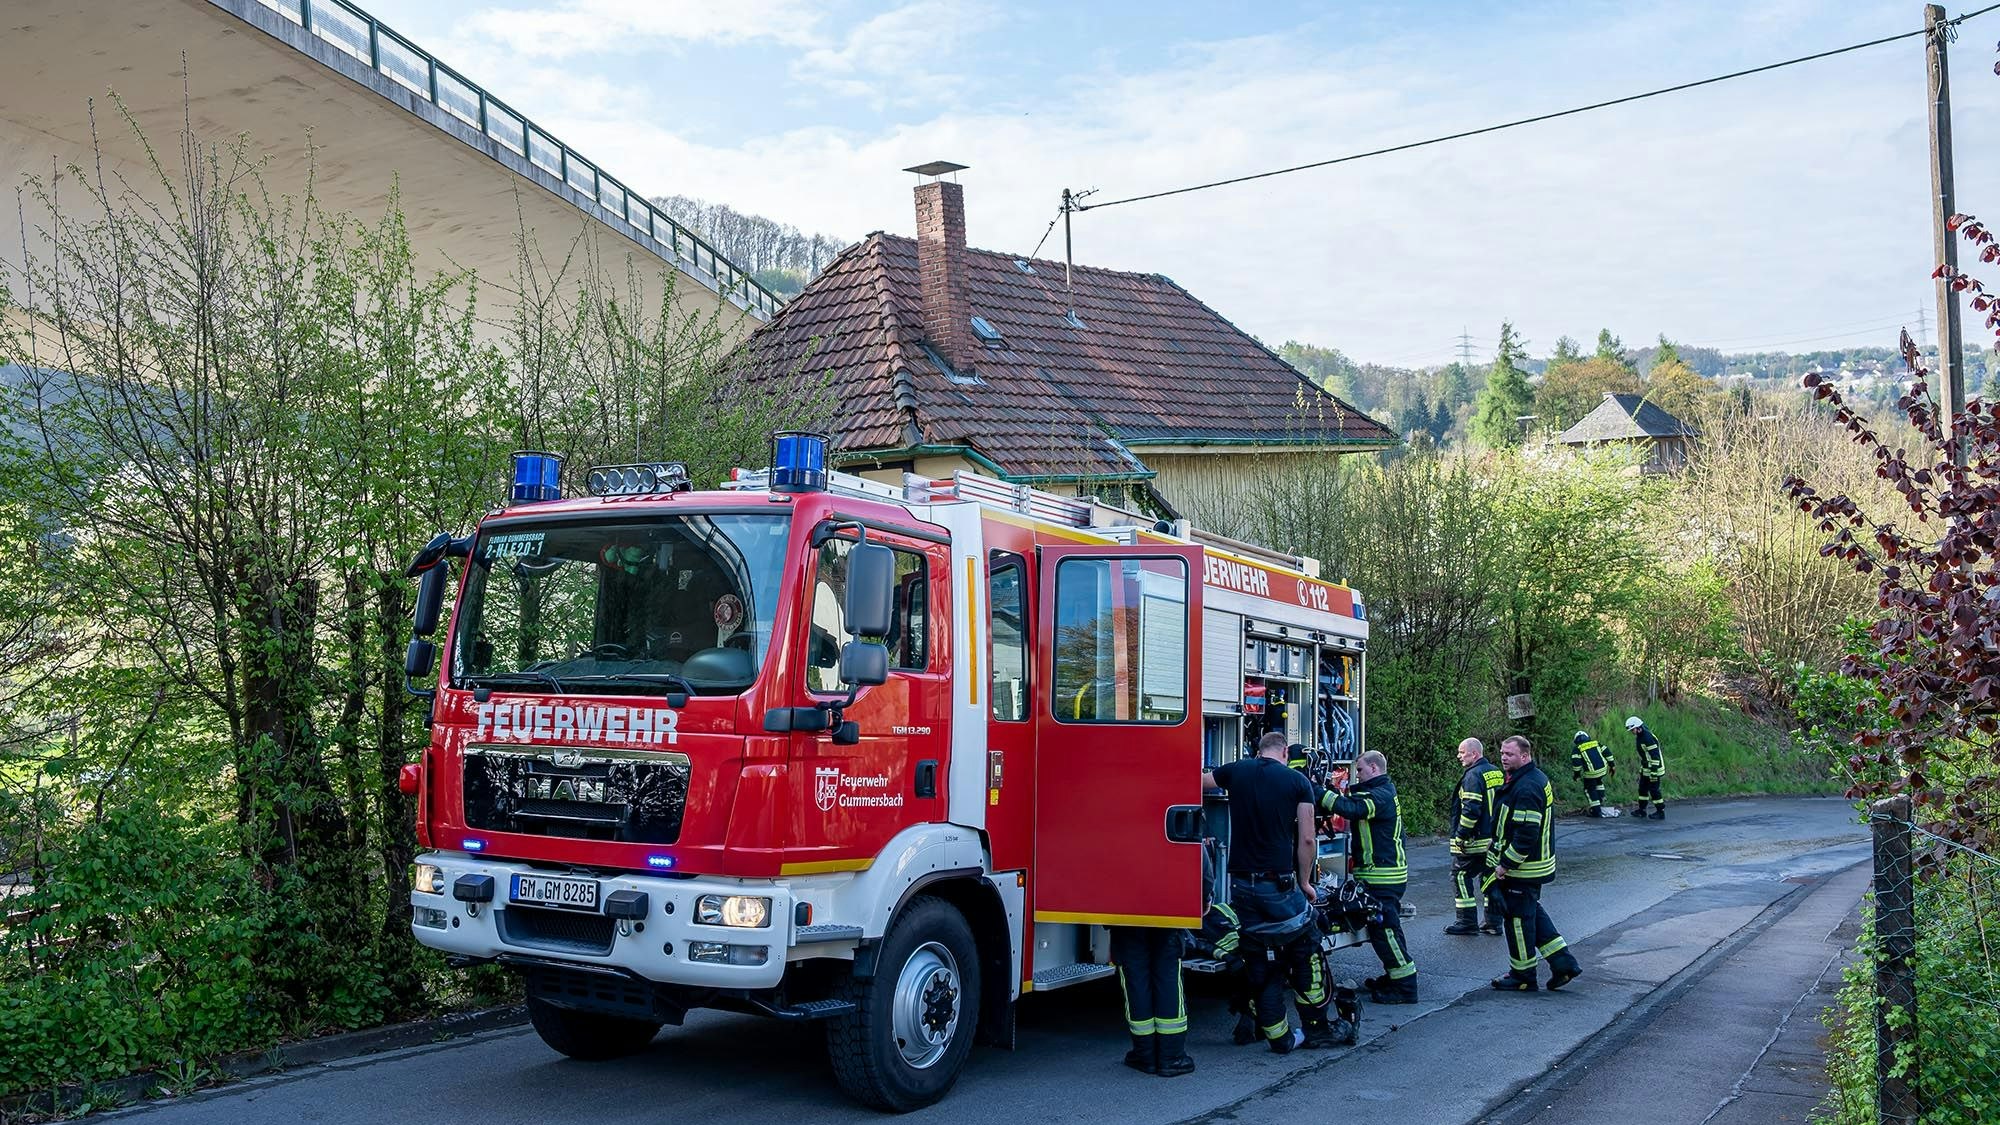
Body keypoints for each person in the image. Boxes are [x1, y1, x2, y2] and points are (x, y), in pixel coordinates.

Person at [1203, 732, 1340, 1052]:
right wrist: (1305, 883)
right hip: (1277, 884)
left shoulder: (1235, 770)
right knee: (1307, 945)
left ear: (1258, 751)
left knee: (1260, 959)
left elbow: (1196, 783)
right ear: (1283, 752)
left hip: (1241, 887)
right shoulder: (1297, 782)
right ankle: (1317, 1030)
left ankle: (1276, 1035)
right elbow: (1307, 839)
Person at [1487, 735, 1584, 993]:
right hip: (1532, 866)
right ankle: (1563, 963)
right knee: (1532, 913)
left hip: (1524, 868)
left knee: (1517, 919)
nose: (1504, 758)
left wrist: (1505, 864)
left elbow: (1526, 834)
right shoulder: (1527, 779)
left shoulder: (1527, 787)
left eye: (1510, 754)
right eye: (1502, 753)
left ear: (1525, 756)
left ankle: (1523, 976)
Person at [1320, 750, 1418, 1003]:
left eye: (1360, 770)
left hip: (1383, 877)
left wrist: (1318, 793)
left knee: (1384, 931)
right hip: (1381, 875)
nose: (1357, 774)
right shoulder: (1381, 791)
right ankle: (1396, 976)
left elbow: (1352, 809)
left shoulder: (1381, 796)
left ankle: (1405, 987)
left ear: (1374, 768)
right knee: (1386, 930)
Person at [1109, 925, 1193, 1076]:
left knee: (1135, 978)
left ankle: (1145, 1055)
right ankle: (1172, 1057)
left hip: (1125, 915)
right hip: (1168, 913)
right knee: (1168, 976)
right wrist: (1205, 900)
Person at [1444, 738, 1507, 936]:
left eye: (1462, 752)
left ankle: (1466, 922)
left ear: (1474, 754)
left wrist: (1461, 835)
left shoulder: (1473, 776)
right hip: (1494, 839)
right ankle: (1493, 922)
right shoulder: (1496, 772)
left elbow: (1471, 809)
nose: (1459, 756)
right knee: (1489, 877)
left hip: (1475, 840)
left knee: (1460, 876)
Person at [1570, 730, 1617, 818]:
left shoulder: (1577, 749)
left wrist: (1576, 775)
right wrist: (1612, 766)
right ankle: (1601, 799)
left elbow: (1577, 764)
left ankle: (1596, 811)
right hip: (1603, 770)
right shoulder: (1596, 743)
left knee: (1589, 789)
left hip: (1591, 773)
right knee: (1598, 782)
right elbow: (1608, 753)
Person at [1627, 716, 1667, 820]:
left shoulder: (1648, 738)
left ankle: (1660, 811)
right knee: (1642, 789)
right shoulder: (1640, 736)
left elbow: (1655, 756)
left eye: (1632, 730)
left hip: (1655, 768)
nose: (1632, 732)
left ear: (1638, 727)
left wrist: (1653, 772)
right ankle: (1642, 810)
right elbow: (1646, 755)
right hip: (1646, 767)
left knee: (1654, 790)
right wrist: (1644, 768)